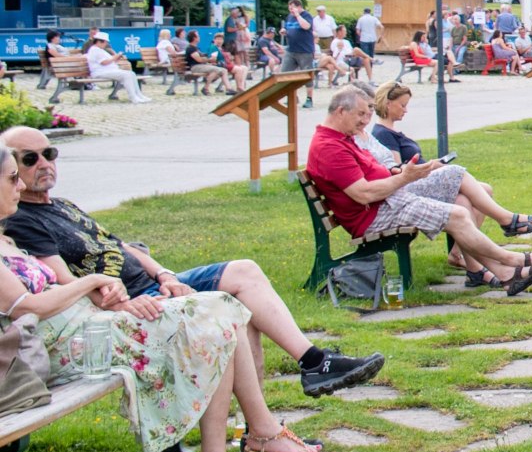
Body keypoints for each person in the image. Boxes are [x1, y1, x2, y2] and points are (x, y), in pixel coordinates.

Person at [0, 153, 327, 452]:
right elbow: (27, 307)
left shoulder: (8, 236)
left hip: (91, 324)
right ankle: (238, 450)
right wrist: (93, 284)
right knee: (214, 316)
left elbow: (105, 254)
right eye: (12, 177)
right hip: (69, 344)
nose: (20, 185)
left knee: (221, 312)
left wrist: (122, 291)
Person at [0, 126, 385, 401]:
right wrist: (120, 301)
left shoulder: (62, 205)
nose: (43, 163)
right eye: (29, 159)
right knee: (238, 312)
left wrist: (165, 273)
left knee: (245, 271)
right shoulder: (23, 220)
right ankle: (292, 390)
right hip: (134, 304)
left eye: (49, 153)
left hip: (153, 286)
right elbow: (68, 283)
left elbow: (121, 246)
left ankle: (306, 371)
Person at [305, 88, 532, 293]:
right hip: (376, 213)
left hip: (387, 201)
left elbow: (374, 172)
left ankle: (504, 274)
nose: (364, 121)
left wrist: (399, 174)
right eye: (360, 114)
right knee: (458, 214)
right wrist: (405, 177)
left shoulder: (342, 138)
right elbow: (364, 194)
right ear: (340, 111)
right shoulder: (330, 147)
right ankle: (513, 260)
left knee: (458, 198)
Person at [366, 81, 532, 285]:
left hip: (416, 183)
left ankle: (469, 263)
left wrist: (432, 166)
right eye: (402, 105)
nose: (405, 110)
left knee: (471, 196)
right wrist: (432, 168)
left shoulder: (389, 132)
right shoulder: (382, 134)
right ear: (388, 104)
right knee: (457, 173)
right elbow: (400, 173)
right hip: (407, 191)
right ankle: (507, 221)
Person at [84, 30, 150, 103]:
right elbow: (104, 62)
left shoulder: (99, 50)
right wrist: (115, 57)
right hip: (100, 72)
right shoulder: (95, 50)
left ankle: (139, 95)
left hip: (107, 71)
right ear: (99, 41)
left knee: (132, 74)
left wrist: (116, 58)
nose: (106, 44)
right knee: (126, 75)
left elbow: (108, 61)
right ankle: (133, 97)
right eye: (105, 42)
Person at [183, 30, 234, 95]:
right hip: (195, 67)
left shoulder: (195, 48)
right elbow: (199, 60)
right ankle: (205, 88)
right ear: (194, 38)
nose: (199, 37)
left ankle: (229, 89)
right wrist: (209, 59)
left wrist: (208, 58)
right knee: (216, 70)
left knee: (223, 70)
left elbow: (202, 57)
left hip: (201, 66)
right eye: (198, 36)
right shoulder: (190, 48)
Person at [282, 0, 317, 72]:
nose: (291, 11)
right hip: (291, 50)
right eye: (289, 9)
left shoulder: (307, 15)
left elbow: (306, 26)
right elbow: (287, 27)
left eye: (292, 8)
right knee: (284, 73)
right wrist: (284, 30)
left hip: (304, 51)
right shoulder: (290, 16)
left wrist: (297, 15)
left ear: (299, 7)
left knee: (307, 75)